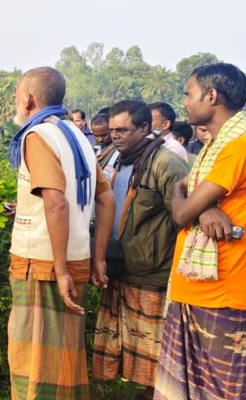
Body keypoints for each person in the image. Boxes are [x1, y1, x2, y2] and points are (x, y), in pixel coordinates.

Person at [154, 63, 246, 400]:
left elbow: (180, 212)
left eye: (189, 94)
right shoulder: (216, 148)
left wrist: (192, 201)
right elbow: (183, 189)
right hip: (199, 288)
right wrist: (202, 205)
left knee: (223, 393)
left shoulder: (241, 148)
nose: (185, 102)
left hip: (225, 292)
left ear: (211, 96)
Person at [6, 67, 115, 400]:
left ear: (28, 99)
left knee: (34, 358)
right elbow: (106, 198)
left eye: (16, 95)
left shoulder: (38, 136)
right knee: (64, 358)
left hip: (43, 266)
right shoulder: (77, 135)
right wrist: (98, 258)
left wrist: (60, 269)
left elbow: (56, 204)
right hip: (76, 260)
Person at [91, 101, 189, 398]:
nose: (115, 135)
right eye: (113, 130)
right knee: (130, 347)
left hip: (151, 273)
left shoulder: (166, 163)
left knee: (155, 351)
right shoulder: (116, 158)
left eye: (122, 130)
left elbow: (184, 217)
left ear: (145, 128)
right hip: (120, 266)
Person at [91, 113, 118, 182]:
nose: (100, 139)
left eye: (104, 135)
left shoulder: (118, 150)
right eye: (96, 136)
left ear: (112, 130)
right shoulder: (92, 148)